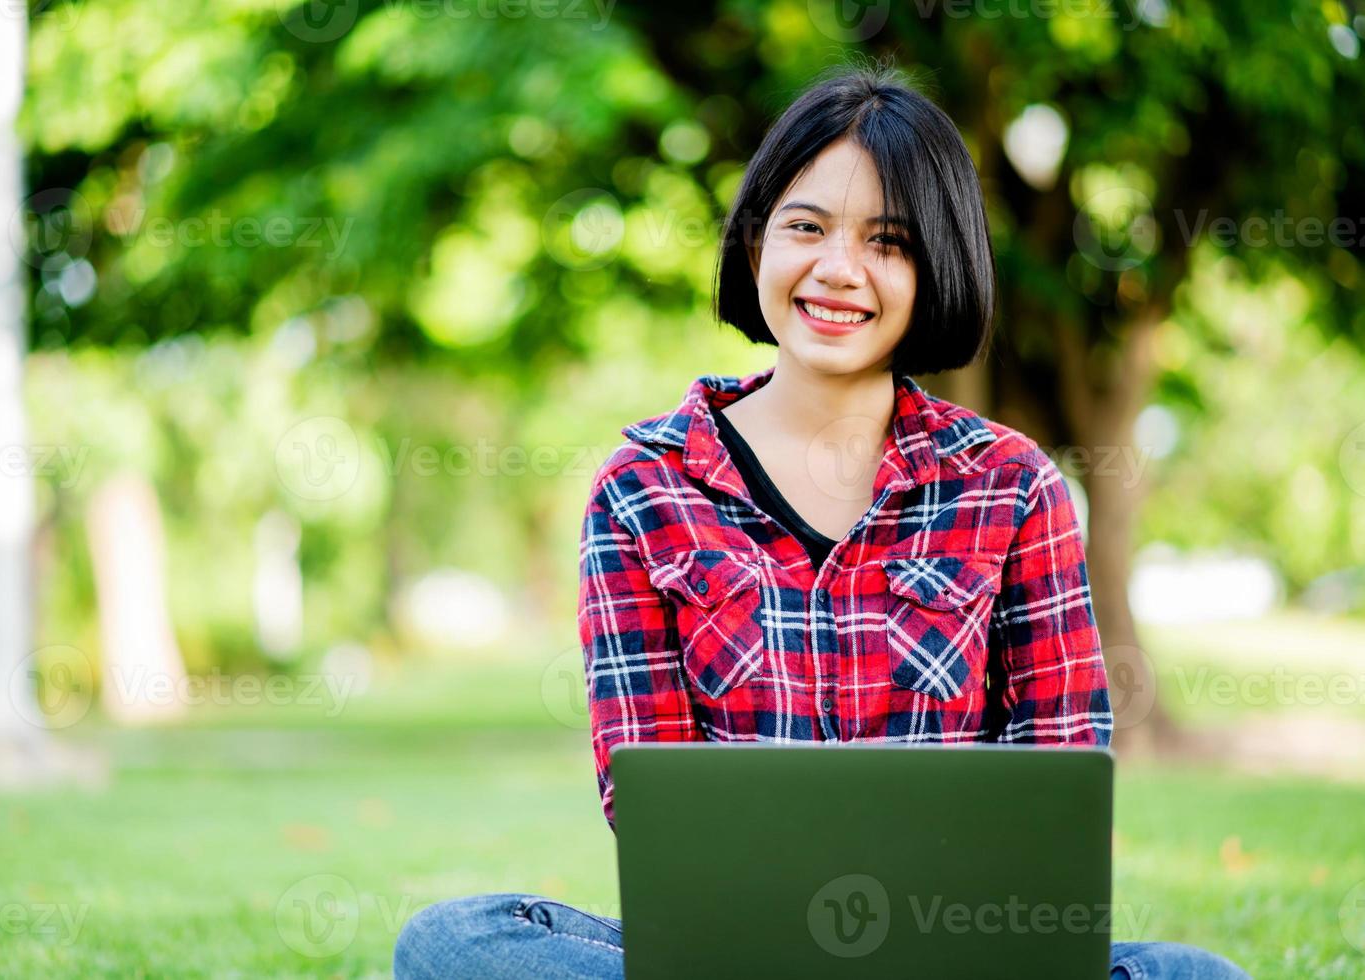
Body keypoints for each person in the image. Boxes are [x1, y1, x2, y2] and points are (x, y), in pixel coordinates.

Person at [395, 64, 1252, 979]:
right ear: (757, 241)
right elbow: (646, 803)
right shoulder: (642, 486)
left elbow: (1058, 784)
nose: (838, 269)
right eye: (806, 227)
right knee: (453, 942)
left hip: (959, 959)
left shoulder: (1009, 485)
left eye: (888, 241)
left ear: (935, 269)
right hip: (733, 957)